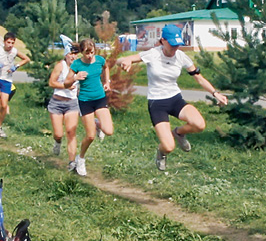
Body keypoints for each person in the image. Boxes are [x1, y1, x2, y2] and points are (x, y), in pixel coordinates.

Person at [119, 24, 227, 171]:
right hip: (157, 103)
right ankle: (161, 153)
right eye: (172, 44)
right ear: (163, 40)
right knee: (169, 146)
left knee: (199, 124)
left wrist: (215, 93)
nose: (175, 47)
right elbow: (125, 59)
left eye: (178, 44)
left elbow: (198, 78)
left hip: (175, 99)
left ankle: (178, 133)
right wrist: (126, 61)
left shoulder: (181, 56)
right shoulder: (153, 53)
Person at [63, 39, 114, 176]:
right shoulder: (77, 64)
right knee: (90, 136)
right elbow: (66, 83)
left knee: (108, 131)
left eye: (92, 52)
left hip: (100, 98)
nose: (90, 55)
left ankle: (97, 124)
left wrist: (106, 82)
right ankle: (81, 158)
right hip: (85, 101)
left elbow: (106, 67)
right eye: (87, 53)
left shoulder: (99, 60)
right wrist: (75, 77)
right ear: (81, 52)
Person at [0, 32, 30, 138]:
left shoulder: (14, 51)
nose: (10, 45)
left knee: (4, 105)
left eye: (12, 43)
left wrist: (16, 66)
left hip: (7, 79)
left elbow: (26, 59)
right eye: (8, 42)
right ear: (4, 42)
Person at [47, 41, 81, 171]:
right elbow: (51, 82)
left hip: (71, 103)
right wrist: (65, 85)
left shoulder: (79, 66)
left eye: (75, 54)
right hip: (57, 103)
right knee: (59, 134)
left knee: (71, 132)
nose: (73, 57)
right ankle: (57, 142)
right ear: (66, 55)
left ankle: (72, 162)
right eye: (70, 54)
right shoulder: (60, 66)